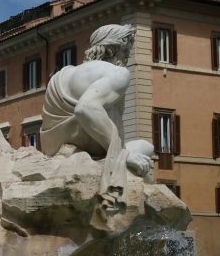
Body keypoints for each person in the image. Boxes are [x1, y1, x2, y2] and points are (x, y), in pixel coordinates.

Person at [40, 24, 153, 211]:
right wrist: (122, 153)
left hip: (57, 148)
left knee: (145, 147)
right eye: (126, 50)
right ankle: (144, 208)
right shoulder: (117, 73)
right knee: (146, 149)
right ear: (112, 49)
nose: (127, 57)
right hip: (94, 145)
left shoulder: (62, 75)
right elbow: (86, 108)